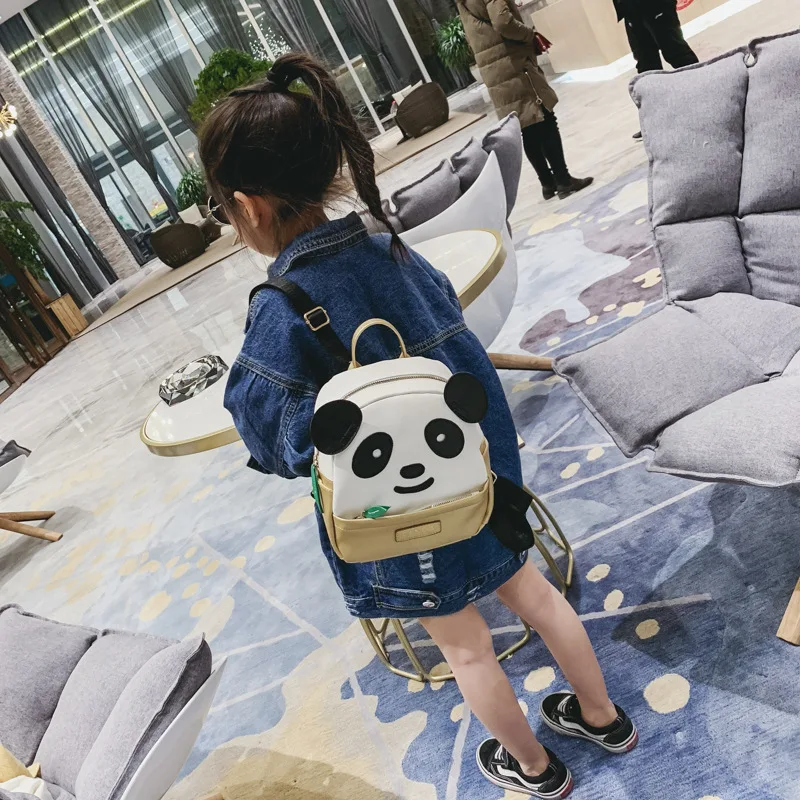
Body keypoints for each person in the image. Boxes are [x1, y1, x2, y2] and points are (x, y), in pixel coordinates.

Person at [200, 52, 636, 799]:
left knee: (467, 650)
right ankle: (603, 717)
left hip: (396, 518)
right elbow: (462, 354)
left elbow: (276, 437)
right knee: (537, 597)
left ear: (249, 206)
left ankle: (534, 768)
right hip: (478, 476)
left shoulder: (280, 307)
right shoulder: (393, 252)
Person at [457, 0, 592, 201]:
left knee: (527, 127)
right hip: (515, 63)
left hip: (496, 70)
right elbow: (503, 22)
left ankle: (547, 183)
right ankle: (563, 180)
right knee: (545, 118)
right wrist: (529, 35)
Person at [614, 0, 699, 138]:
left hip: (655, 4)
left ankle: (704, 98)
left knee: (677, 53)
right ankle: (655, 120)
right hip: (629, 8)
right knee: (646, 66)